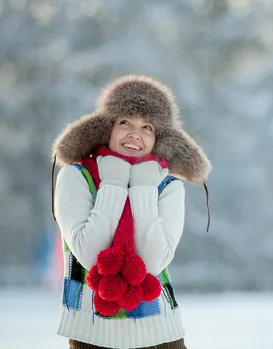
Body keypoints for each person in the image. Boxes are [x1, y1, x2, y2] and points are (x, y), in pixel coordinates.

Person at [50, 74, 211, 349]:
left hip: (161, 335)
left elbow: (152, 261)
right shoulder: (76, 177)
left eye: (147, 126)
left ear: (157, 137)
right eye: (125, 122)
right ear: (107, 128)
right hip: (90, 334)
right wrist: (113, 181)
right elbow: (90, 254)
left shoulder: (167, 186)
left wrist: (142, 187)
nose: (136, 133)